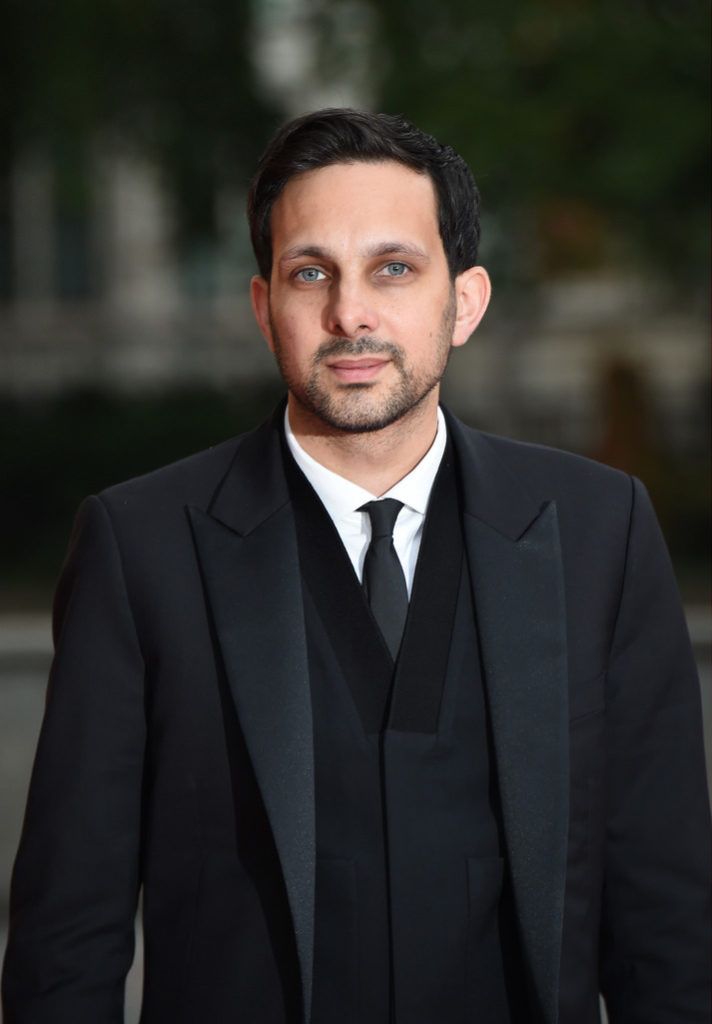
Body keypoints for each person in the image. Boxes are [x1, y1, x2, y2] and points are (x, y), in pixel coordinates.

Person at [2, 109, 710, 1024]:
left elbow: (668, 922)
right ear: (265, 308)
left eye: (394, 268)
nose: (351, 313)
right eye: (311, 274)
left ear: (465, 302)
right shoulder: (139, 547)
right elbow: (68, 933)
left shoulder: (598, 530)